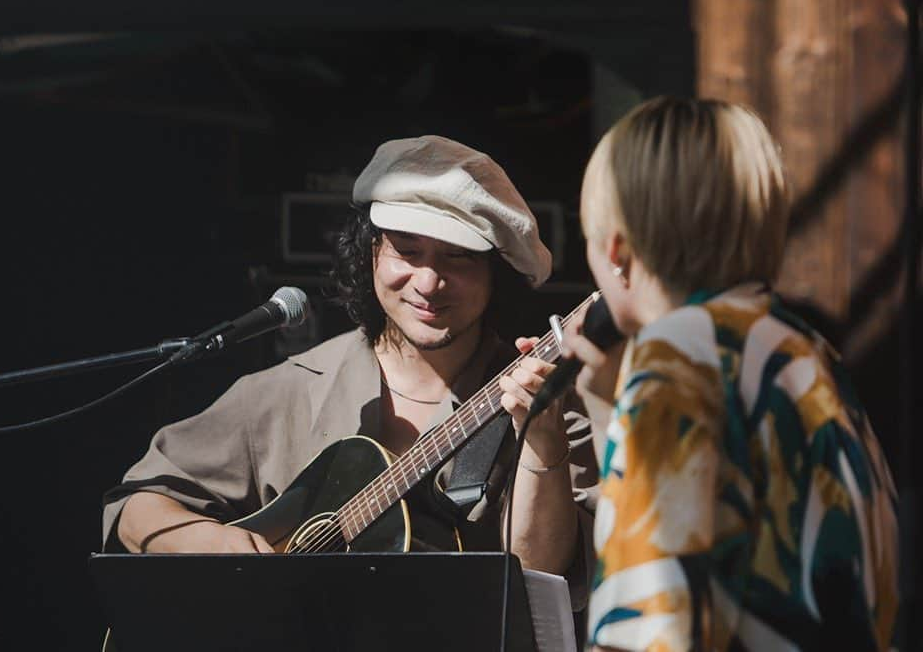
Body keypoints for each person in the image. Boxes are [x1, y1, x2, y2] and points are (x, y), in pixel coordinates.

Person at [101, 135, 598, 632]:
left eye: (458, 258)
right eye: (407, 251)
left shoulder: (548, 402)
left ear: (497, 274)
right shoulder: (286, 391)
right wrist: (212, 545)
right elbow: (135, 507)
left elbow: (540, 574)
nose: (428, 282)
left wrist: (543, 442)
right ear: (372, 253)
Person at [559, 96, 899, 651]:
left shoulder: (679, 355)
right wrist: (605, 404)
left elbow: (650, 629)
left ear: (618, 250)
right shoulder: (798, 348)